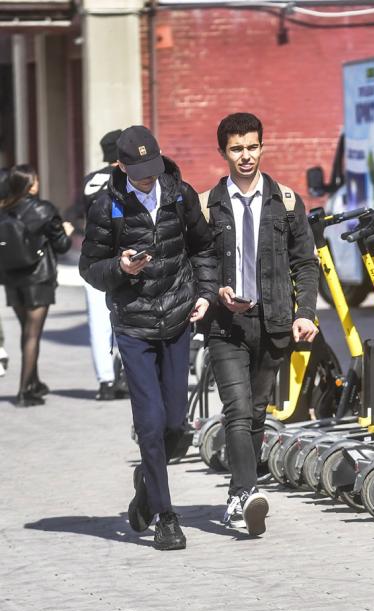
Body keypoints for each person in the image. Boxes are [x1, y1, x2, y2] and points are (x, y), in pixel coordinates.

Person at [80, 125, 217, 551]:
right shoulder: (106, 206)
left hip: (177, 319)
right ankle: (165, 517)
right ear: (120, 166)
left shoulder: (180, 194)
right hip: (134, 326)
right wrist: (120, 268)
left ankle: (146, 486)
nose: (147, 178)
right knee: (151, 424)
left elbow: (203, 248)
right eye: (138, 172)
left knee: (176, 426)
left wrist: (206, 293)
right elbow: (90, 268)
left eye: (152, 168)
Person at [200, 112, 319, 537]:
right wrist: (214, 291)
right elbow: (199, 262)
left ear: (262, 147)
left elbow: (306, 263)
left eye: (252, 147)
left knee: (254, 412)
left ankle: (238, 493)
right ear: (223, 152)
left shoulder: (285, 202)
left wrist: (305, 312)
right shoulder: (207, 206)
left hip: (274, 322)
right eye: (237, 149)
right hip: (226, 324)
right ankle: (249, 493)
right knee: (236, 409)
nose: (246, 156)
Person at [0, 164, 73, 406]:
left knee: (27, 332)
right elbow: (62, 246)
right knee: (32, 335)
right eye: (35, 180)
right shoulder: (44, 209)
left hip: (12, 278)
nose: (38, 184)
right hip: (37, 278)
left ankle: (34, 382)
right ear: (30, 185)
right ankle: (24, 392)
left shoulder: (4, 209)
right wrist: (66, 231)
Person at [82, 130, 127, 400]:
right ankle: (128, 376)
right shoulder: (126, 177)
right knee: (128, 320)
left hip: (93, 258)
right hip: (123, 259)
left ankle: (106, 382)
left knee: (98, 325)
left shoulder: (90, 180)